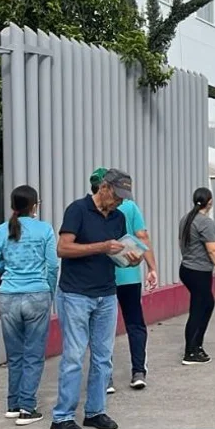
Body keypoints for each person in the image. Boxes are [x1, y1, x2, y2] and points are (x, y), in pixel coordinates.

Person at [51, 168, 133, 429]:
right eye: (117, 196)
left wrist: (132, 257)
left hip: (107, 293)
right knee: (74, 355)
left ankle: (96, 411)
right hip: (75, 293)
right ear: (105, 188)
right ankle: (62, 416)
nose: (120, 202)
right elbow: (63, 249)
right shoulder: (77, 210)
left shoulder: (119, 218)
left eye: (124, 198)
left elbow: (116, 252)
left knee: (103, 357)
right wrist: (100, 247)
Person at [0, 185, 58, 425]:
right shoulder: (44, 230)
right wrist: (49, 290)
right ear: (35, 205)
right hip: (37, 294)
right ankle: (28, 407)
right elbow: (52, 265)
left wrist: (11, 268)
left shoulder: (0, 231)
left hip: (8, 296)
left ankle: (13, 404)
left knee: (14, 355)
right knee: (34, 355)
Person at [93, 168, 157, 393]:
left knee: (103, 327)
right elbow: (142, 236)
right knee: (135, 322)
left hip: (104, 277)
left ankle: (106, 378)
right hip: (129, 274)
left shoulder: (96, 210)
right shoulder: (129, 207)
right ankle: (138, 371)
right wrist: (152, 267)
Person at [178, 187, 215, 364]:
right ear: (209, 202)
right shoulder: (205, 222)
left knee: (206, 304)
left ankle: (197, 345)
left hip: (187, 268)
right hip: (198, 271)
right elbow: (213, 249)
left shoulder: (186, 219)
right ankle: (191, 351)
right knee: (199, 308)